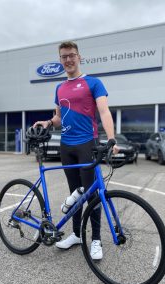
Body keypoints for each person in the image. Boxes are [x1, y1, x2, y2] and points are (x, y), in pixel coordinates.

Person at [34, 41, 119, 260]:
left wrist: (111, 139)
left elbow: (104, 111)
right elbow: (59, 116)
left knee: (91, 194)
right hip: (66, 145)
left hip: (86, 144)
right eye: (64, 57)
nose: (68, 60)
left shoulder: (93, 83)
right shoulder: (59, 87)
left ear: (79, 57)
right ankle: (76, 234)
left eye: (71, 55)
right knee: (75, 193)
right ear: (60, 60)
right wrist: (48, 122)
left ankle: (97, 240)